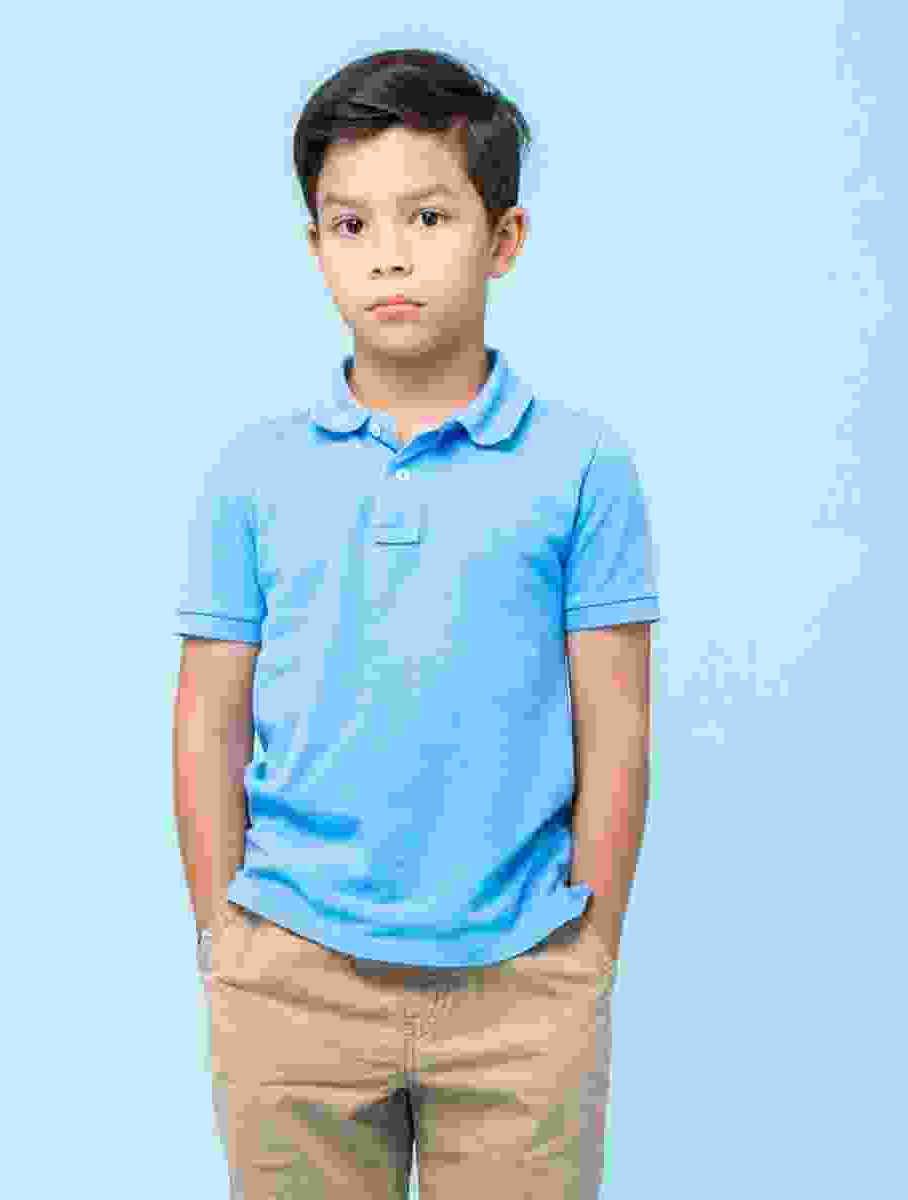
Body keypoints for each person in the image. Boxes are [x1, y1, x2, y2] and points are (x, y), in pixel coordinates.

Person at [174, 46, 660, 1199]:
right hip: (290, 981)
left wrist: (585, 955)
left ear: (504, 239)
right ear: (315, 248)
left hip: (519, 989)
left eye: (429, 216)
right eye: (351, 225)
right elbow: (207, 718)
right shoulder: (252, 473)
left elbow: (616, 725)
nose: (388, 254)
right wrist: (225, 944)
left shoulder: (582, 467)